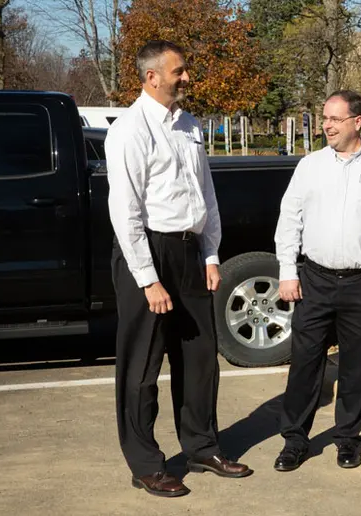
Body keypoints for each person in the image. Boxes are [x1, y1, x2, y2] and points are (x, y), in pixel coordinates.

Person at [106, 40, 251, 498]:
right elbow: (124, 210)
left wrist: (210, 255)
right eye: (179, 71)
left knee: (200, 359)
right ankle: (145, 462)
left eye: (185, 70)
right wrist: (148, 279)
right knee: (142, 366)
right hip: (146, 252)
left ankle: (202, 447)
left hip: (189, 252)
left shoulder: (189, 126)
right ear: (152, 77)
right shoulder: (129, 129)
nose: (186, 77)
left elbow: (205, 196)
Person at [273, 90, 361, 471]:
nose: (327, 126)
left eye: (335, 119)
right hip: (314, 279)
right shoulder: (310, 166)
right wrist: (288, 271)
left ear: (357, 122)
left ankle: (348, 438)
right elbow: (290, 220)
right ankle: (295, 440)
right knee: (305, 363)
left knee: (357, 366)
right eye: (324, 119)